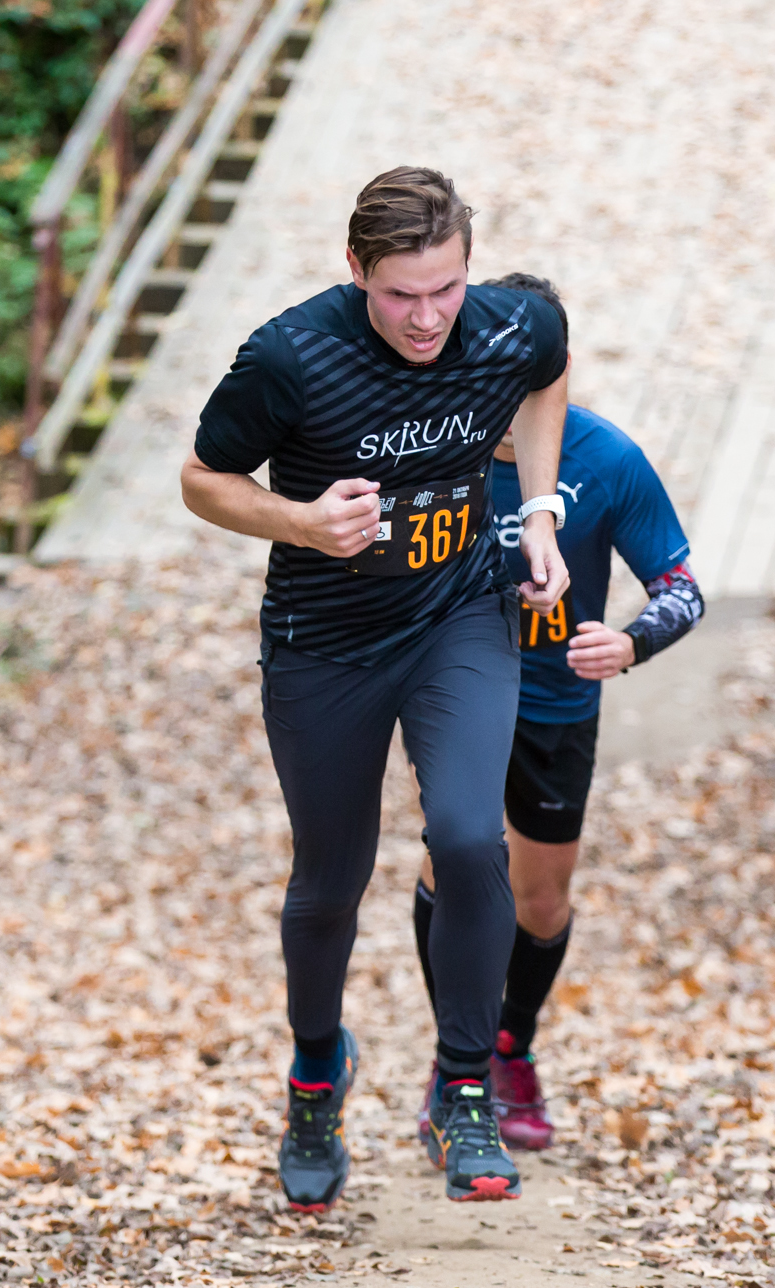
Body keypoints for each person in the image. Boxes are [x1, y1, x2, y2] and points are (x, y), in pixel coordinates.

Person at [181, 169, 572, 1209]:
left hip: (458, 622)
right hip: (326, 644)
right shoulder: (290, 356)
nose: (426, 317)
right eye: (401, 293)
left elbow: (548, 376)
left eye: (444, 288)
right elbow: (201, 480)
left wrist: (539, 513)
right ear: (355, 271)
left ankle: (462, 1086)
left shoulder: (505, 326)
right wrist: (303, 522)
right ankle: (317, 1073)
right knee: (328, 879)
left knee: (463, 837)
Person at [411, 272, 705, 1152]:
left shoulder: (606, 459)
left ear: (558, 369)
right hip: (457, 695)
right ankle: (455, 1064)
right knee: (458, 863)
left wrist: (630, 641)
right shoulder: (428, 448)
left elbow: (682, 585)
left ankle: (510, 1046)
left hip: (555, 705)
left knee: (539, 900)